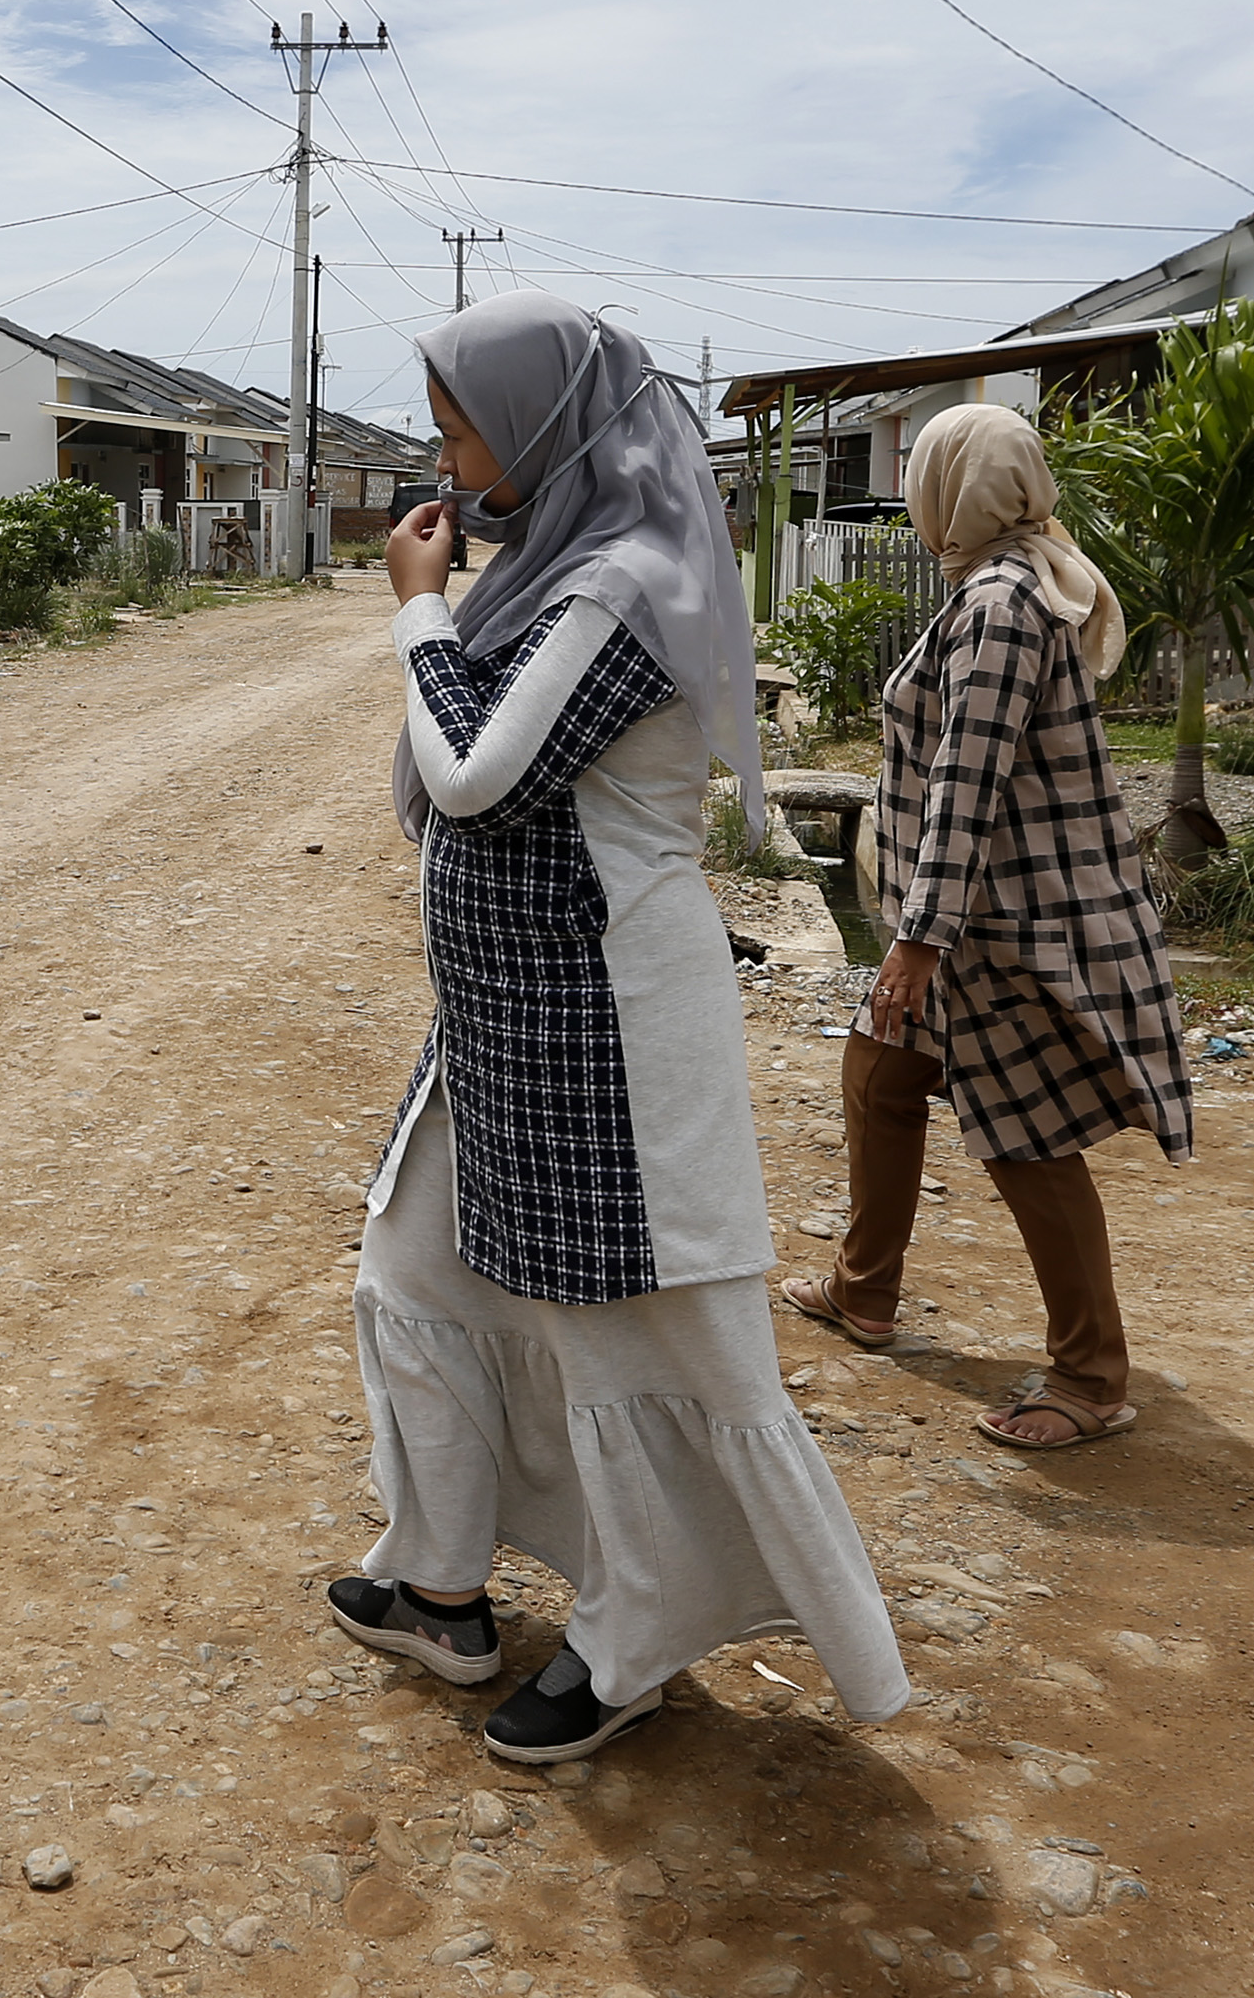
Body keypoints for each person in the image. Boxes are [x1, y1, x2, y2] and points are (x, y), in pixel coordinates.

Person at [327, 291, 911, 1764]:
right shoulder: (554, 570)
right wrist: (449, 611)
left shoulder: (629, 580)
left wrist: (414, 607)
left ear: (540, 423)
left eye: (463, 425)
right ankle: (446, 1582)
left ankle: (626, 1644)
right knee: (417, 1266)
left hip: (606, 1033)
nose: (445, 460)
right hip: (505, 1016)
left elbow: (474, 773)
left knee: (628, 1345)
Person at [776, 403, 1192, 1448]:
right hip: (965, 908)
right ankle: (863, 1289)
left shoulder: (1002, 602)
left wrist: (917, 942)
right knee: (878, 1074)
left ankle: (1090, 1377)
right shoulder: (999, 582)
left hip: (1004, 922)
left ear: (953, 488)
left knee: (1027, 1138)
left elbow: (970, 780)